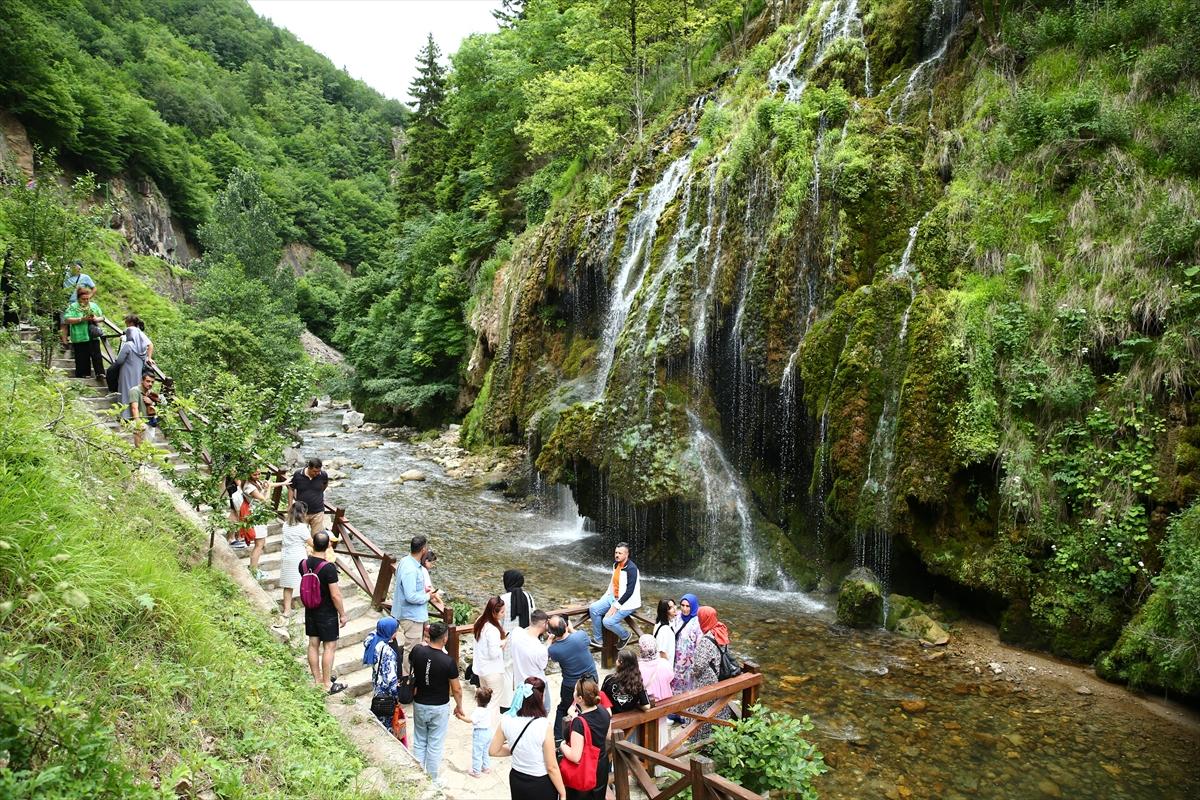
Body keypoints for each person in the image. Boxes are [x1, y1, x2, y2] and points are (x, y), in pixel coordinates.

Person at [408, 621, 469, 783]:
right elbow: (457, 689)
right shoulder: (448, 661)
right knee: (435, 744)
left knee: (420, 741)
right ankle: (432, 780)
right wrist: (459, 706)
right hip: (439, 706)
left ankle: (417, 777)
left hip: (419, 703)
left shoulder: (417, 651)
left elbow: (411, 663)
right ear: (444, 639)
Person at [490, 677, 565, 800]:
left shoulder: (506, 720)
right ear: (541, 697)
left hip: (517, 779)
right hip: (540, 782)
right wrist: (562, 792)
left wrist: (520, 749)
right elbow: (551, 767)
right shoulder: (544, 725)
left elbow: (493, 750)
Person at [304, 531, 347, 694]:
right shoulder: (328, 568)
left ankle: (317, 680)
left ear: (313, 544)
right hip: (326, 612)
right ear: (328, 545)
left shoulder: (304, 563)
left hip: (310, 610)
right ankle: (327, 684)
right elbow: (335, 595)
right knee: (329, 646)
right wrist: (342, 614)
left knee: (313, 644)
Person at [546, 615, 597, 744]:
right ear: (566, 626)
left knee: (563, 708)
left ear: (551, 632)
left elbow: (548, 653)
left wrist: (550, 640)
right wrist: (571, 630)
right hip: (592, 679)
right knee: (591, 704)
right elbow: (583, 639)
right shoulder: (580, 636)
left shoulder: (554, 649)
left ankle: (558, 738)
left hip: (571, 684)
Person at [559, 677, 610, 800]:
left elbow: (575, 756)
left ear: (580, 699)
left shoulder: (579, 722)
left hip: (585, 769)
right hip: (601, 764)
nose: (573, 692)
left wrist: (562, 746)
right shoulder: (604, 711)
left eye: (575, 690)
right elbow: (608, 736)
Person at [237, 468, 289, 581]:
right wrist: (268, 488)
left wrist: (283, 483)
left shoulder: (255, 482)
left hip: (259, 515)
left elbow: (267, 484)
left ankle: (254, 569)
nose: (258, 475)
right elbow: (265, 500)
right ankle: (253, 570)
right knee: (259, 545)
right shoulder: (249, 487)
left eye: (259, 473)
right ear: (248, 474)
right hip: (255, 516)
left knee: (261, 543)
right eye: (255, 474)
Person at [689, 606, 733, 740]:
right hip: (721, 677)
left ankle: (701, 741)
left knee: (703, 712)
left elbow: (699, 665)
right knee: (718, 710)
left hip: (707, 682)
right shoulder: (720, 630)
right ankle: (720, 738)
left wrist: (691, 672)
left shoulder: (706, 640)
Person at [588, 542, 641, 649]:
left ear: (627, 554)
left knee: (607, 622)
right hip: (614, 598)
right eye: (616, 552)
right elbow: (613, 583)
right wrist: (605, 597)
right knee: (593, 608)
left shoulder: (632, 569)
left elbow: (629, 591)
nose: (617, 555)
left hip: (628, 602)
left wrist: (615, 606)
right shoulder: (616, 564)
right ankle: (598, 640)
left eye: (620, 553)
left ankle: (625, 635)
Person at [393, 535, 431, 676]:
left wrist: (421, 590)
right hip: (411, 616)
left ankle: (411, 677)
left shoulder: (404, 561)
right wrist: (428, 596)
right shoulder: (411, 569)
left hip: (410, 613)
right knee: (412, 650)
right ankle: (406, 681)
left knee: (415, 648)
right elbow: (410, 596)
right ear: (423, 550)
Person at [274, 500, 314, 626]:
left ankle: (287, 610)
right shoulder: (302, 528)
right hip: (299, 557)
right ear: (303, 513)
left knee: (288, 585)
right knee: (306, 583)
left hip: (287, 556)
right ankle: (311, 606)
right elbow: (311, 543)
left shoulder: (286, 525)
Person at [473, 596, 511, 711]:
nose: (504, 614)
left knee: (484, 703)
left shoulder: (480, 621)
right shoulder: (493, 629)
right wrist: (502, 644)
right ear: (494, 612)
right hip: (493, 671)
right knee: (494, 703)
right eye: (502, 612)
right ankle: (492, 728)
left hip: (481, 669)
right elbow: (494, 653)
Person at [363, 617, 401, 729]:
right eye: (395, 630)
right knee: (387, 718)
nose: (396, 633)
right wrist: (396, 695)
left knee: (378, 710)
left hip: (377, 682)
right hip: (385, 691)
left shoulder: (372, 640)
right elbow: (390, 678)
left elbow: (374, 631)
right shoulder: (387, 652)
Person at [510, 610, 550, 711]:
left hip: (520, 685)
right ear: (544, 624)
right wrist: (548, 643)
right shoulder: (540, 649)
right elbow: (543, 666)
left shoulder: (516, 632)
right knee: (545, 710)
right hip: (537, 687)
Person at [63, 286, 104, 380]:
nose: (86, 301)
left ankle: (100, 373)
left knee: (96, 355)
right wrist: (81, 319)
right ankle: (83, 375)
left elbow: (102, 317)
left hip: (92, 335)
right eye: (83, 299)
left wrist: (96, 318)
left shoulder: (93, 306)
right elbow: (67, 319)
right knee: (82, 356)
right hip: (79, 336)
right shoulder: (73, 307)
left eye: (87, 298)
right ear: (78, 298)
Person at [112, 314, 154, 403]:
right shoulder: (142, 348)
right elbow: (149, 345)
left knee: (125, 390)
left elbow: (119, 360)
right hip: (138, 372)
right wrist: (149, 358)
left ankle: (124, 414)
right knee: (135, 391)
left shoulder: (128, 345)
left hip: (126, 371)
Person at [601, 648, 651, 715]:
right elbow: (646, 706)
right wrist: (636, 705)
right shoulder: (637, 682)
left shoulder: (609, 679)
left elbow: (601, 697)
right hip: (631, 721)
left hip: (613, 718)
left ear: (620, 663)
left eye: (617, 659)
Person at [288, 458, 330, 535]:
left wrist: (317, 494)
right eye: (314, 471)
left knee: (317, 537)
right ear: (309, 468)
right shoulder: (298, 474)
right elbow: (291, 488)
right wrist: (290, 505)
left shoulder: (323, 475)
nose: (317, 473)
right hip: (301, 512)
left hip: (318, 511)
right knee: (301, 535)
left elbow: (325, 484)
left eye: (318, 471)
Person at [672, 593, 702, 695]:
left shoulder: (698, 622)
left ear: (693, 606)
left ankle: (686, 706)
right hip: (676, 656)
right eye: (683, 605)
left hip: (689, 659)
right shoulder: (678, 616)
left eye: (688, 606)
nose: (684, 609)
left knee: (688, 683)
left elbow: (699, 643)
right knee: (675, 680)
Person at [59, 261, 94, 346]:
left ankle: (78, 340)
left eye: (78, 268)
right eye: (74, 267)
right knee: (64, 322)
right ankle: (65, 342)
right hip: (64, 302)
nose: (77, 270)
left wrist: (88, 297)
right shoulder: (64, 276)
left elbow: (94, 288)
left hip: (78, 303)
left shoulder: (85, 277)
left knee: (79, 321)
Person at [637, 634, 674, 704]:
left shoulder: (637, 667)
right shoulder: (664, 663)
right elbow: (671, 677)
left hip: (649, 704)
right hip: (667, 702)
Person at [500, 569, 536, 636]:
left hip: (508, 638)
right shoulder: (528, 596)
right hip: (525, 637)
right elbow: (533, 615)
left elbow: (498, 620)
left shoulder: (503, 598)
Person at [125, 371, 156, 447]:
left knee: (148, 447)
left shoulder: (150, 392)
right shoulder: (135, 391)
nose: (150, 384)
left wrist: (151, 402)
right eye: (148, 381)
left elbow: (160, 405)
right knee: (139, 447)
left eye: (152, 382)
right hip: (140, 422)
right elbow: (134, 408)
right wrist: (138, 423)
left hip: (150, 422)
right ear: (142, 380)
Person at [469, 686, 494, 777]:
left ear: (477, 699)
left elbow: (470, 720)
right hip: (488, 732)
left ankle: (476, 771)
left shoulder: (478, 711)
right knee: (485, 751)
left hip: (480, 733)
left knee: (477, 752)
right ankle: (486, 767)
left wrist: (460, 717)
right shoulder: (488, 708)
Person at [653, 598, 680, 663]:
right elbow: (662, 652)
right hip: (665, 665)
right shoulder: (664, 629)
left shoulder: (663, 622)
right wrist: (668, 668)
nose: (674, 608)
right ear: (664, 611)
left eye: (674, 605)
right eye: (670, 608)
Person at [421, 549, 446, 614]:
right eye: (432, 563)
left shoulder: (418, 567)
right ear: (426, 561)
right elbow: (431, 590)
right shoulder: (424, 571)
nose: (432, 565)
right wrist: (441, 603)